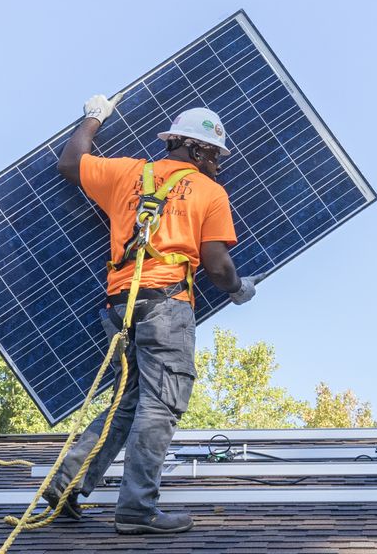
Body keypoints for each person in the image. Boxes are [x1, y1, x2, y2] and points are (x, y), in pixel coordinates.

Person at [47, 94, 260, 534]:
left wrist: (93, 119)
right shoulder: (209, 192)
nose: (220, 164)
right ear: (196, 149)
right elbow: (218, 266)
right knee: (161, 405)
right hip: (166, 306)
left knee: (128, 404)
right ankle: (136, 510)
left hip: (119, 305)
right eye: (215, 154)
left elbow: (70, 163)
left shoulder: (129, 172)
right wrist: (239, 290)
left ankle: (65, 487)